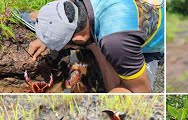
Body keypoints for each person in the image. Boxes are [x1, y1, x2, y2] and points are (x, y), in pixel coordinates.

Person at [26, 0, 164, 93]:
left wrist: (96, 48)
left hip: (151, 46)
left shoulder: (113, 42)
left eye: (66, 45)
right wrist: (48, 36)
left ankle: (158, 57)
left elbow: (142, 92)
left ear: (79, 39)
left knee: (119, 97)